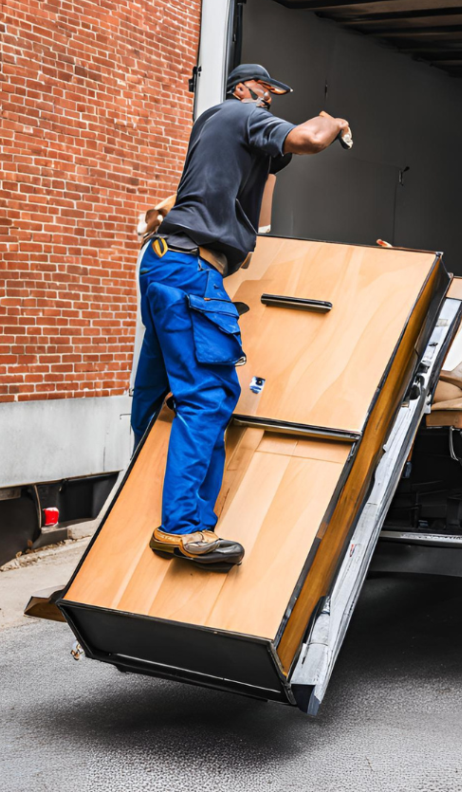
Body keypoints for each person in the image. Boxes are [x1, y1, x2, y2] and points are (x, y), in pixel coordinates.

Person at [130, 63, 350, 571]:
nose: (270, 100)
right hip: (191, 271)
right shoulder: (240, 113)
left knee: (157, 397)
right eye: (266, 91)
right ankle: (182, 527)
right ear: (244, 88)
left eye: (274, 93)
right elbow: (311, 139)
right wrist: (335, 122)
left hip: (167, 264)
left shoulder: (216, 126)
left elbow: (258, 209)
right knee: (209, 396)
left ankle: (137, 501)